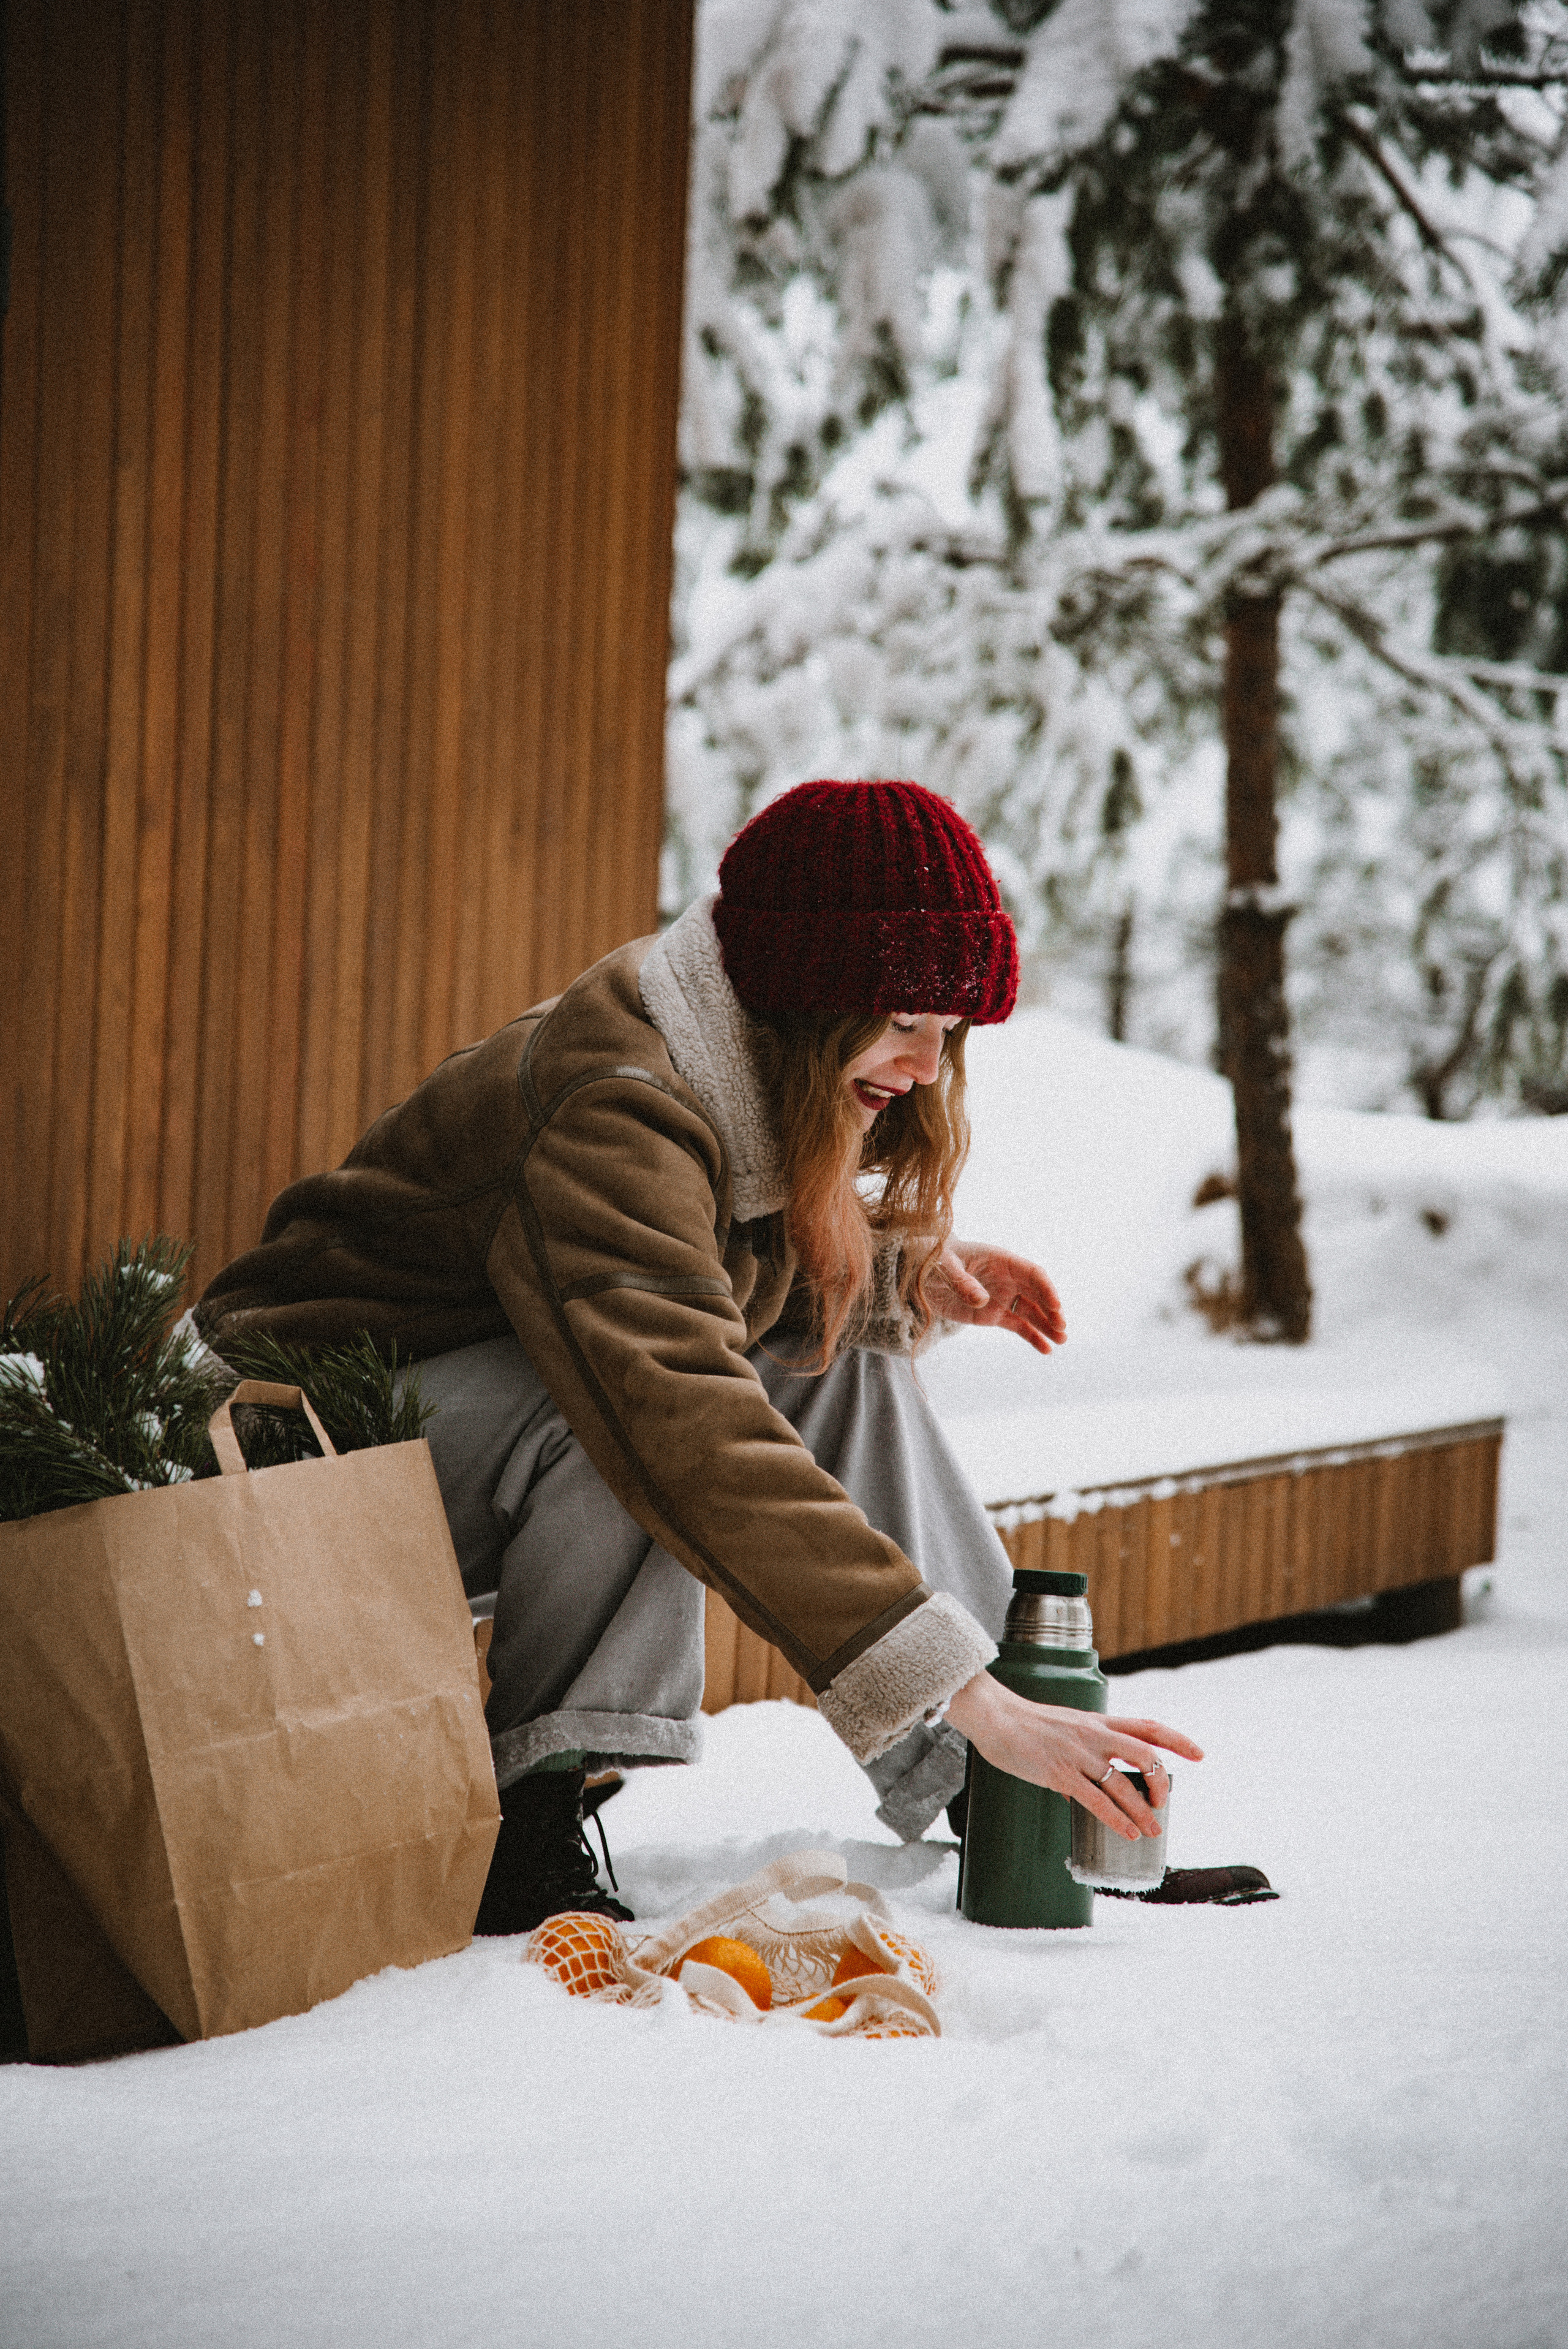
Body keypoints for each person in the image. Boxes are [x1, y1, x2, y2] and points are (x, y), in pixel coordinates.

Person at [198, 779, 1200, 1932]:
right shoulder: (616, 1093)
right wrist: (962, 1688)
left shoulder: (728, 1053)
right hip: (278, 1454)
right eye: (906, 1025)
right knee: (621, 1410)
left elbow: (698, 1266)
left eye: (949, 1036)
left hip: (427, 1428)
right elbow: (673, 1393)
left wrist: (895, 1277)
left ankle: (997, 1781)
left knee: (838, 1355)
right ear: (809, 998)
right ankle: (530, 1820)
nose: (929, 1068)